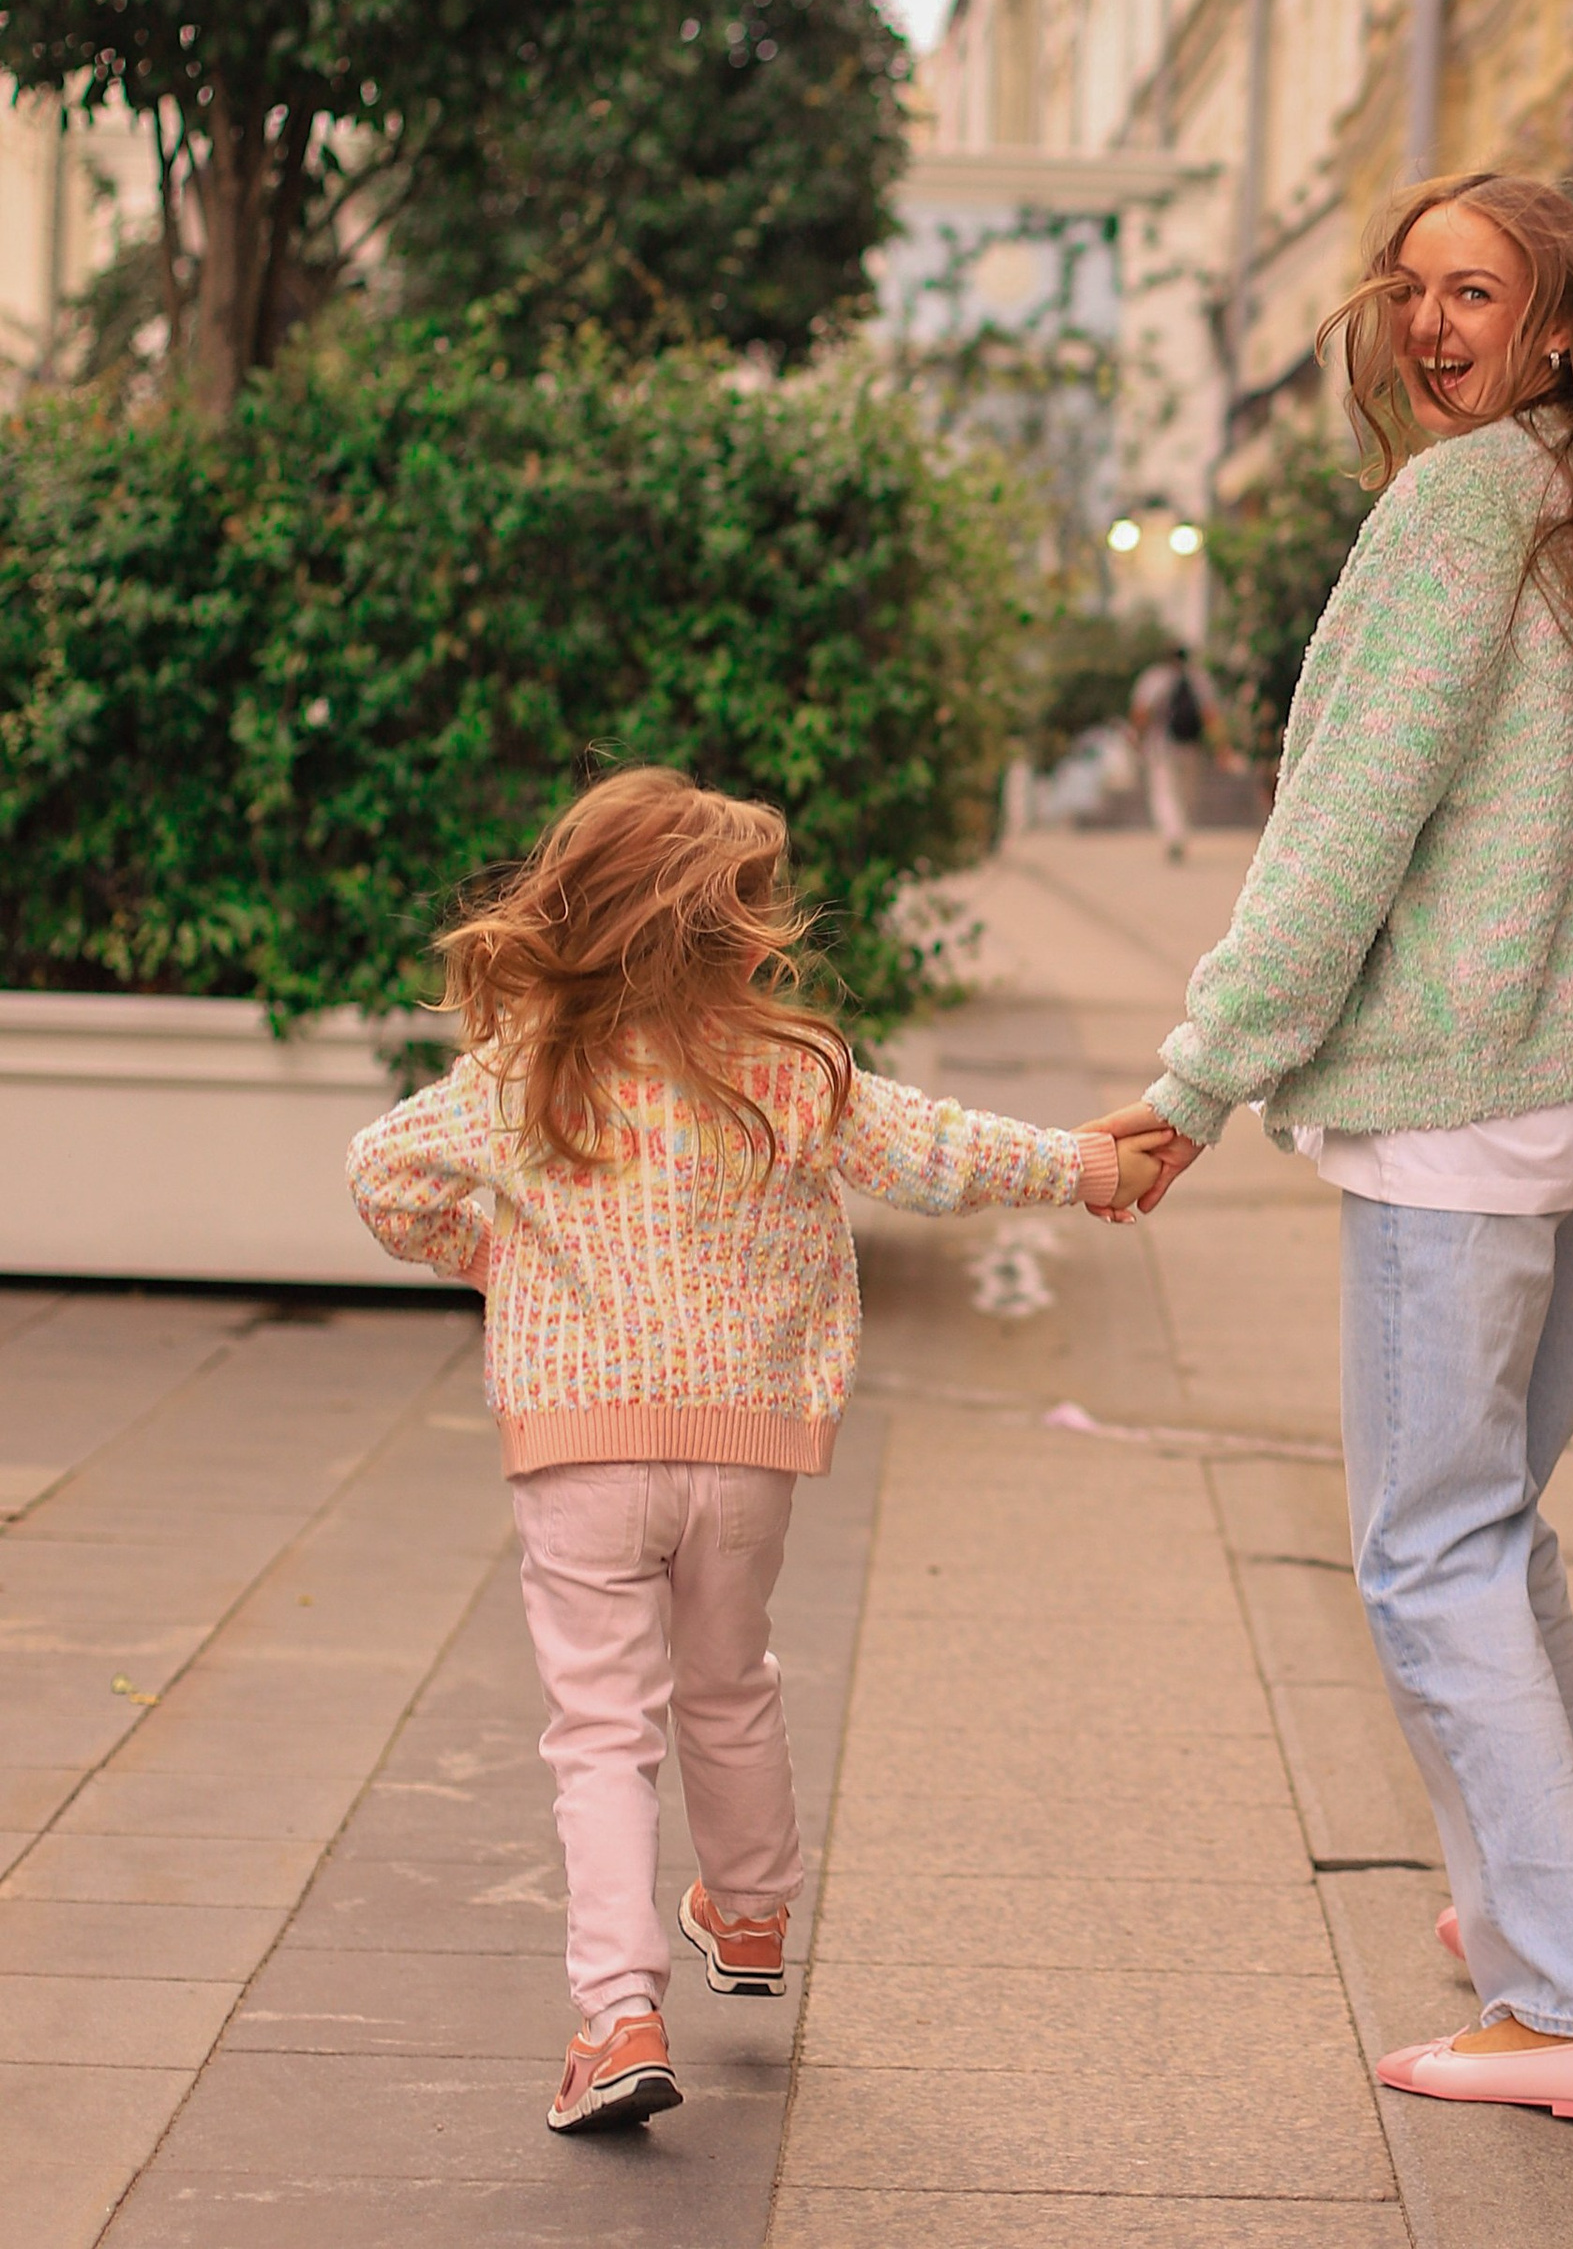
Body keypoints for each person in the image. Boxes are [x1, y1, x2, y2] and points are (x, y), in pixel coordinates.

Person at [1094, 169, 1573, 2129]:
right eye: (1406, 288)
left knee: (1426, 1555)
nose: (1428, 324)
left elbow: (1343, 826)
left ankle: (1568, 1997)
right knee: (1485, 1536)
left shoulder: (1456, 512)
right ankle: (1533, 1906)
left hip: (1456, 1114)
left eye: (1475, 292)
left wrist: (1192, 1082)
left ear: (1559, 326)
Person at [347, 765, 1167, 2137]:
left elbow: (383, 1173)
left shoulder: (525, 1070)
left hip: (579, 1446)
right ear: (732, 932)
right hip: (744, 1446)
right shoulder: (793, 1069)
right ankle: (753, 1914)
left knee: (601, 1732)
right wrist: (1094, 1165)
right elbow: (941, 1153)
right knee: (729, 1680)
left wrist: (494, 1254)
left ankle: (616, 2016)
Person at [1126, 646, 1212, 861]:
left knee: (1164, 792)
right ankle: (1180, 833)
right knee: (1186, 794)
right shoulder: (1199, 680)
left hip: (1162, 746)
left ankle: (1173, 834)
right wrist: (1220, 747)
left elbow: (1141, 711)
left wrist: (1137, 738)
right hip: (1191, 746)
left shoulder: (1154, 678)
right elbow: (1209, 714)